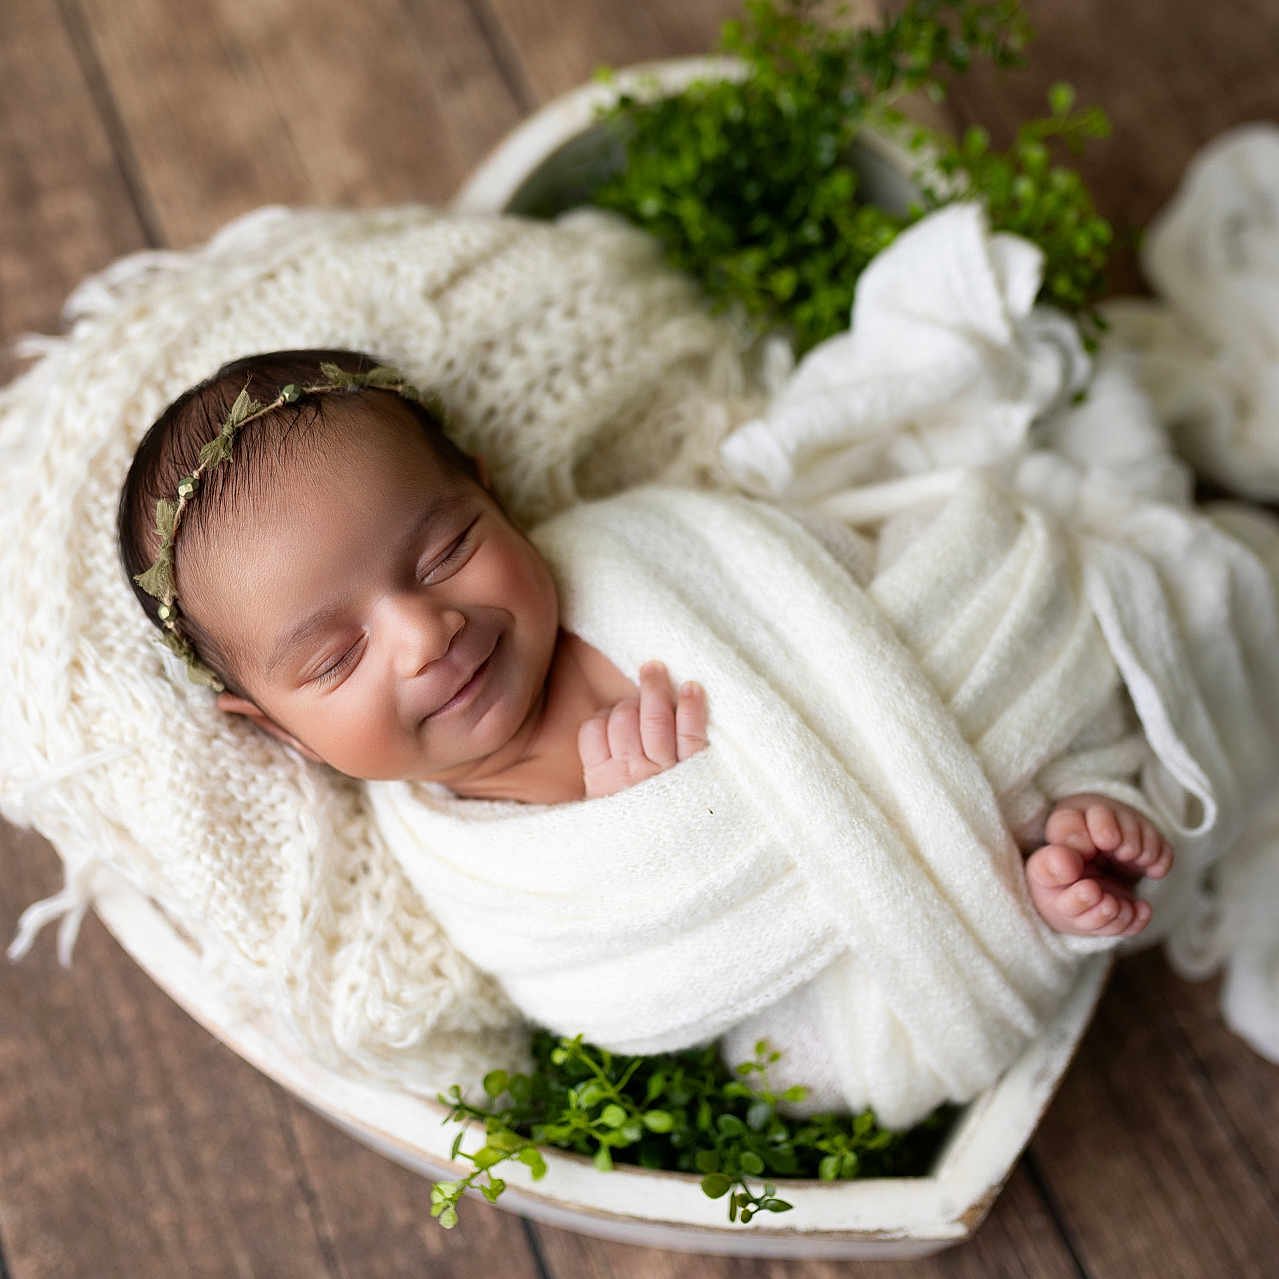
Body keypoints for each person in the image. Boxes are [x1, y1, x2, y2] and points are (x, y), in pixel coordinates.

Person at [119, 348, 1173, 947]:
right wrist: (661, 826)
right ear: (278, 732)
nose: (423, 633)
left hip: (961, 749)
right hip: (858, 943)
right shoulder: (470, 861)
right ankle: (1024, 895)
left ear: (491, 491)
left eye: (445, 551)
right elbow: (626, 983)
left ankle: (1061, 814)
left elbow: (860, 606)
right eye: (333, 659)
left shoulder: (636, 559)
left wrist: (1030, 793)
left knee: (1039, 691)